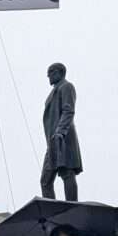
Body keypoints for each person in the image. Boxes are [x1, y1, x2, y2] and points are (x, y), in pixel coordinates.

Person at [40, 63, 82, 201]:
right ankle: (52, 209)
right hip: (52, 141)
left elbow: (68, 110)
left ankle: (72, 206)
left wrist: (60, 132)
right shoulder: (54, 91)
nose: (48, 76)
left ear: (60, 72)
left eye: (50, 72)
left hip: (63, 137)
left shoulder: (66, 87)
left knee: (67, 172)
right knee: (45, 180)